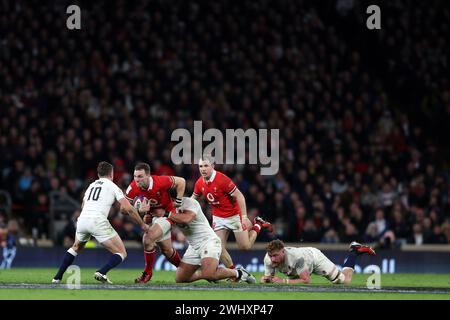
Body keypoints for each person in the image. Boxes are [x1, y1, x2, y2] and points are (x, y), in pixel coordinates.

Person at [52, 161, 150, 284]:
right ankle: (102, 272)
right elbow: (128, 208)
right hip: (97, 220)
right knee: (121, 252)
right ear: (111, 174)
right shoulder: (112, 186)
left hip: (83, 219)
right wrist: (142, 224)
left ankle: (57, 277)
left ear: (99, 174)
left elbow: (83, 205)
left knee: (76, 247)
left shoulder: (91, 186)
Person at [191, 156, 273, 271]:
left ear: (213, 166)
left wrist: (244, 217)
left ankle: (258, 224)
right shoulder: (199, 183)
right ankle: (234, 273)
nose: (203, 169)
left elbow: (239, 196)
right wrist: (184, 207)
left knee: (245, 247)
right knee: (217, 248)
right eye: (200, 166)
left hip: (234, 216)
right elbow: (193, 199)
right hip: (218, 218)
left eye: (206, 166)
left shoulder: (222, 179)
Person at [154, 196, 256, 284]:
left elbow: (187, 219)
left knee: (209, 274)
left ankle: (239, 273)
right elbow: (158, 220)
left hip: (208, 241)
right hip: (193, 246)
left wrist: (166, 213)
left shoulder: (189, 202)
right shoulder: (167, 210)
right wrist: (148, 216)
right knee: (180, 278)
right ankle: (210, 273)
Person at [125, 162, 186, 283]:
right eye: (135, 176)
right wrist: (139, 210)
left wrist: (178, 202)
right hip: (153, 217)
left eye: (140, 176)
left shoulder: (160, 181)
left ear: (148, 175)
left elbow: (181, 182)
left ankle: (147, 273)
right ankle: (186, 269)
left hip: (167, 214)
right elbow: (123, 209)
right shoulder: (133, 187)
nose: (137, 179)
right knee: (167, 250)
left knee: (148, 238)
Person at [261, 239, 376, 285]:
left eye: (275, 255)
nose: (272, 259)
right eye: (271, 256)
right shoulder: (268, 258)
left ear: (283, 252)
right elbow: (269, 279)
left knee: (344, 281)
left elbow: (306, 280)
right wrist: (266, 279)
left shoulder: (297, 258)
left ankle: (354, 251)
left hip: (314, 259)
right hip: (299, 267)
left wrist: (283, 281)